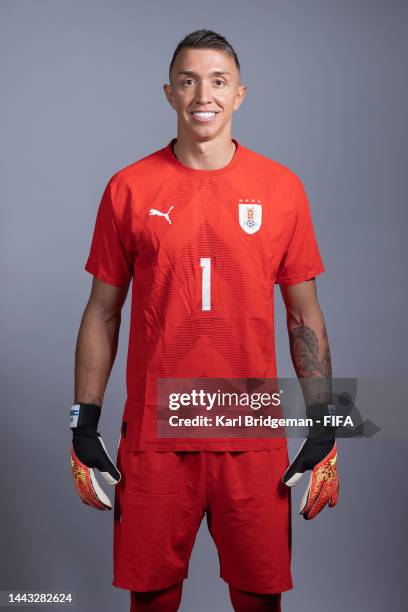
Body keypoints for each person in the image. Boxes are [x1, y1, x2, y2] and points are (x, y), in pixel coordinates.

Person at [70, 29, 338, 612]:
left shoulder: (282, 189)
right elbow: (102, 310)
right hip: (155, 434)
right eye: (188, 81)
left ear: (241, 94)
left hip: (250, 431)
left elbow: (304, 314)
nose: (203, 95)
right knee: (153, 599)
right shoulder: (129, 188)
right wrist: (82, 422)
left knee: (259, 598)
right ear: (169, 93)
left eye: (218, 81)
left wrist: (327, 425)